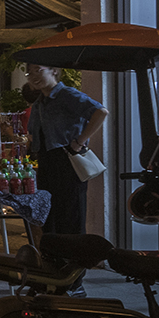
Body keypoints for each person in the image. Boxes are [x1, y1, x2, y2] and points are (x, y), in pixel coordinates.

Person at [25, 63, 108, 239]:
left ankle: (74, 262)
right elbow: (33, 133)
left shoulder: (66, 95)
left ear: (54, 70)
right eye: (29, 72)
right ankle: (55, 260)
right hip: (47, 161)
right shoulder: (40, 102)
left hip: (67, 160)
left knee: (70, 216)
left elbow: (100, 112)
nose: (33, 76)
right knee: (50, 214)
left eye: (38, 70)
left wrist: (79, 141)